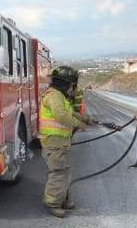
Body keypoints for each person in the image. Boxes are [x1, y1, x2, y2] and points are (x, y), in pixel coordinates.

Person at [39, 66, 96, 217]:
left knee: (64, 171)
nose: (73, 88)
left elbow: (70, 112)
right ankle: (52, 203)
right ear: (66, 84)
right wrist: (80, 125)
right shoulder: (54, 96)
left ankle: (62, 199)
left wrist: (87, 119)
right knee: (58, 172)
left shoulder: (59, 95)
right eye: (72, 85)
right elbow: (61, 116)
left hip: (59, 142)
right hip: (54, 142)